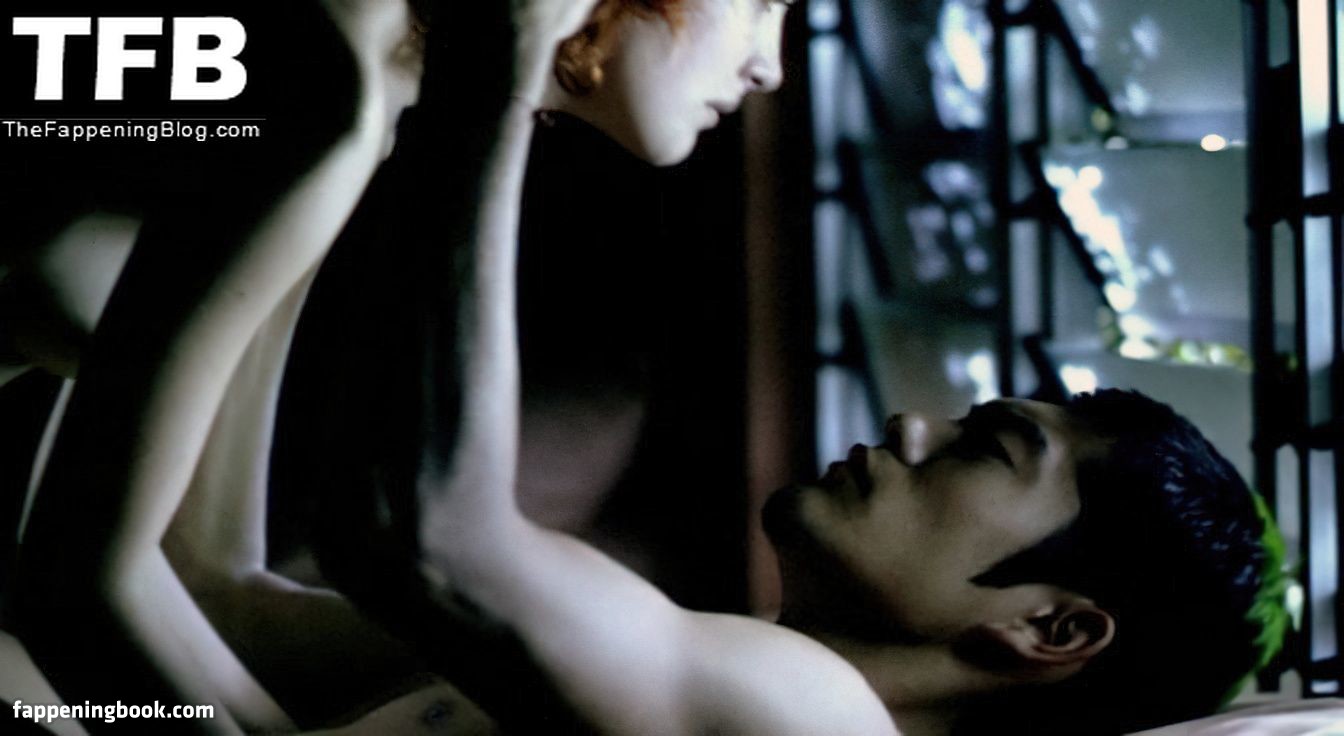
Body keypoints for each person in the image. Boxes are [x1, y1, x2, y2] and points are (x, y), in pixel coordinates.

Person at [301, 5, 1291, 735]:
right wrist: (350, 124)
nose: (912, 424)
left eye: (989, 448)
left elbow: (426, 529)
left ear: (1052, 628)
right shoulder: (709, 658)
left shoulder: (814, 721)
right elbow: (236, 596)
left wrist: (500, 65)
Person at [5, 0, 791, 731]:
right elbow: (75, 587)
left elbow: (205, 565)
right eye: (762, 4)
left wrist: (556, 654)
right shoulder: (331, 101)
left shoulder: (366, 96)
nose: (770, 66)